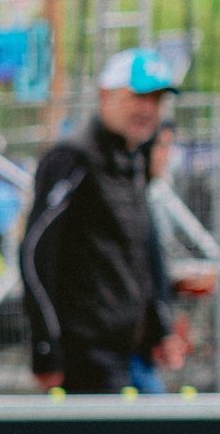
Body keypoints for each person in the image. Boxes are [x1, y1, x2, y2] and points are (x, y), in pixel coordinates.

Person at [21, 47, 185, 393]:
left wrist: (161, 328)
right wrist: (45, 348)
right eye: (139, 97)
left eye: (156, 100)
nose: (148, 109)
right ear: (105, 95)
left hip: (133, 353)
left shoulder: (132, 162)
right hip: (87, 358)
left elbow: (142, 253)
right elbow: (36, 253)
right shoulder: (72, 157)